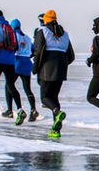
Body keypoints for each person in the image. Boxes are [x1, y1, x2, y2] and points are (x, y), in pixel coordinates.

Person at [32, 9, 74, 138]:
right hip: (61, 67)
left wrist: (35, 67)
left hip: (47, 66)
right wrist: (62, 64)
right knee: (54, 97)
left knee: (45, 97)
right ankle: (56, 127)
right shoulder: (65, 34)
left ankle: (56, 111)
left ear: (45, 20)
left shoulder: (42, 31)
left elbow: (38, 51)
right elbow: (71, 55)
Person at [11, 18, 37, 124]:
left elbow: (13, 48)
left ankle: (14, 109)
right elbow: (33, 50)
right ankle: (33, 109)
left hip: (17, 61)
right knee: (27, 88)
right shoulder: (27, 37)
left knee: (10, 85)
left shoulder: (14, 35)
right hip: (27, 62)